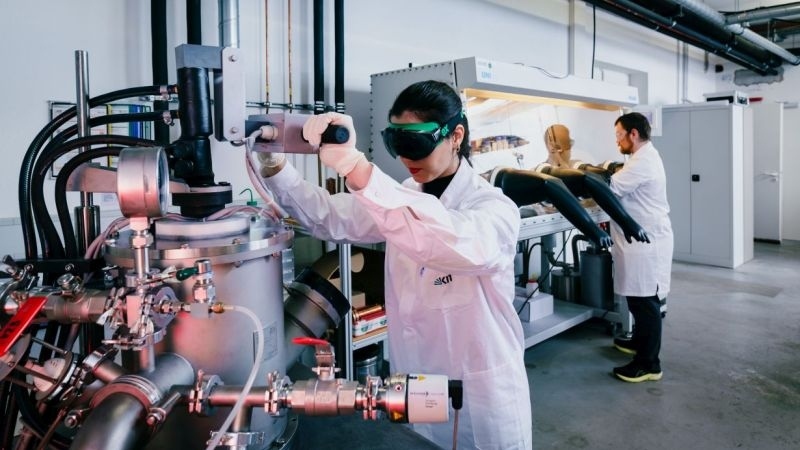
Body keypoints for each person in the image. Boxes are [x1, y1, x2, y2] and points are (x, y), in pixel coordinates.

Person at [258, 80, 532, 449]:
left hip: (479, 398)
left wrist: (357, 168)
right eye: (396, 144)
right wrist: (277, 169)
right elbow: (331, 218)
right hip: (414, 386)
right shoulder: (401, 194)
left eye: (416, 143)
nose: (406, 157)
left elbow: (448, 240)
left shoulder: (494, 208)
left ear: (456, 135)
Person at [608, 112, 674, 383]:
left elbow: (611, 186)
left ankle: (649, 363)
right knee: (637, 297)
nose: (617, 142)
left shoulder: (642, 161)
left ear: (633, 134)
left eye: (619, 136)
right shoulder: (642, 157)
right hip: (641, 240)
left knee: (646, 302)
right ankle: (639, 342)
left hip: (648, 242)